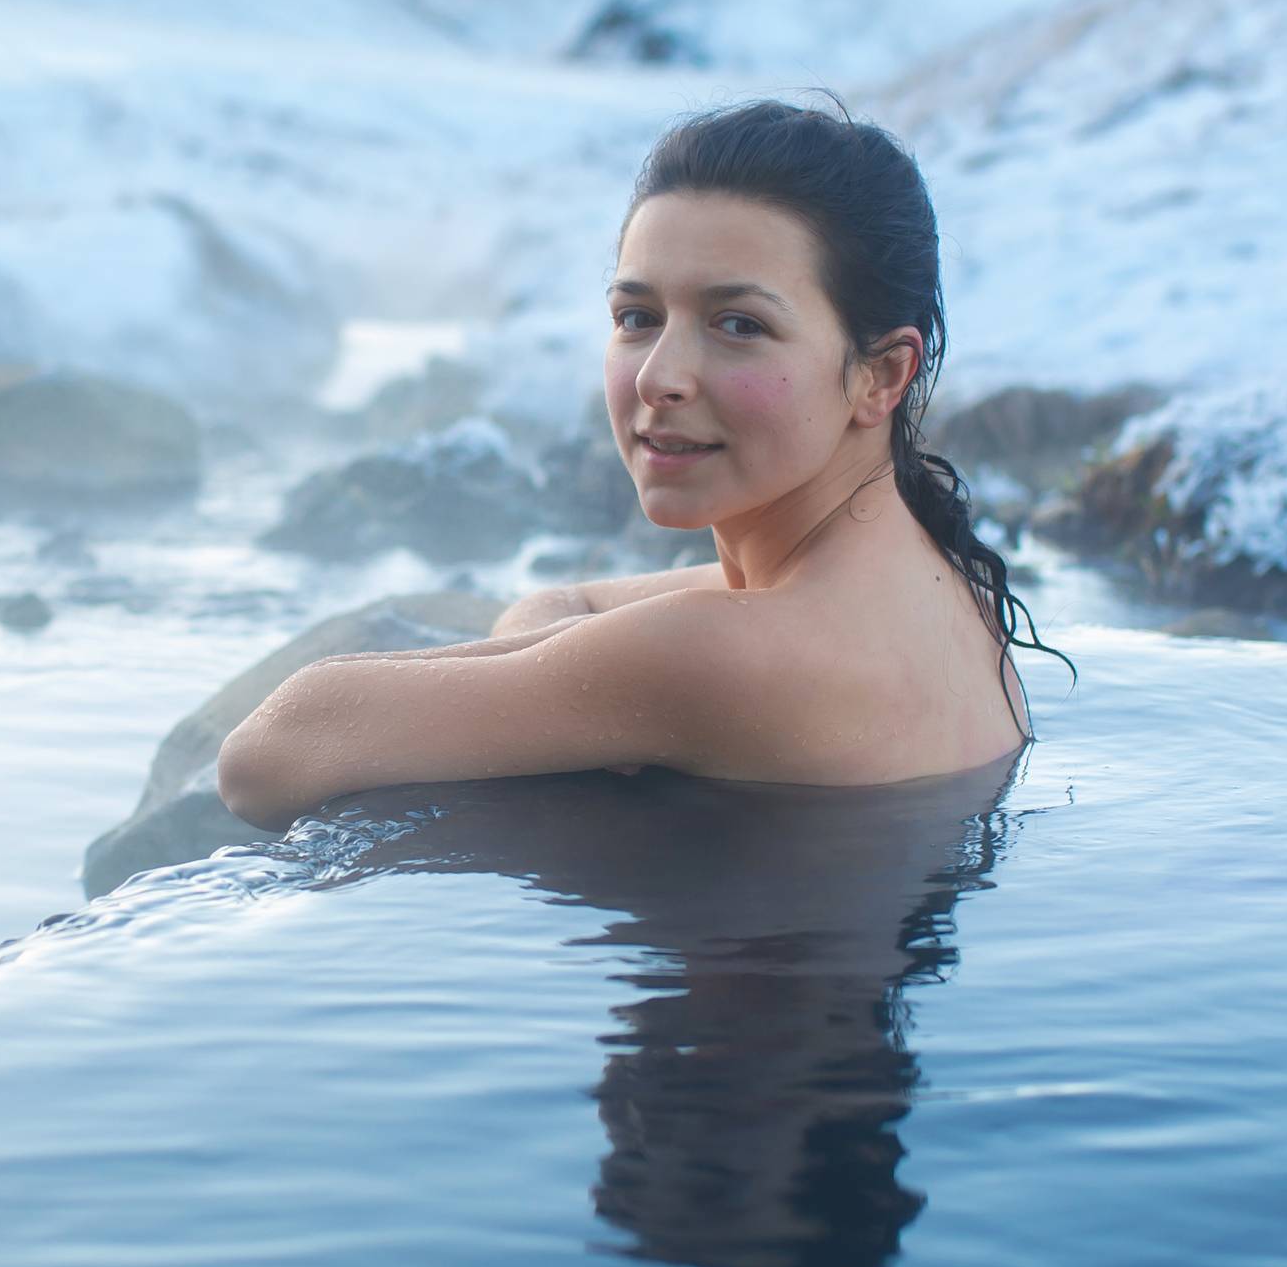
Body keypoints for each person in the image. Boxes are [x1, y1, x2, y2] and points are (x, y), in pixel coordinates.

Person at [216, 100, 1059, 826]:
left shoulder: (717, 657)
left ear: (879, 375)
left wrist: (588, 675)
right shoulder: (947, 587)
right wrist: (577, 667)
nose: (660, 378)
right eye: (637, 316)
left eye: (739, 325)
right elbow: (575, 601)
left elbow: (266, 755)